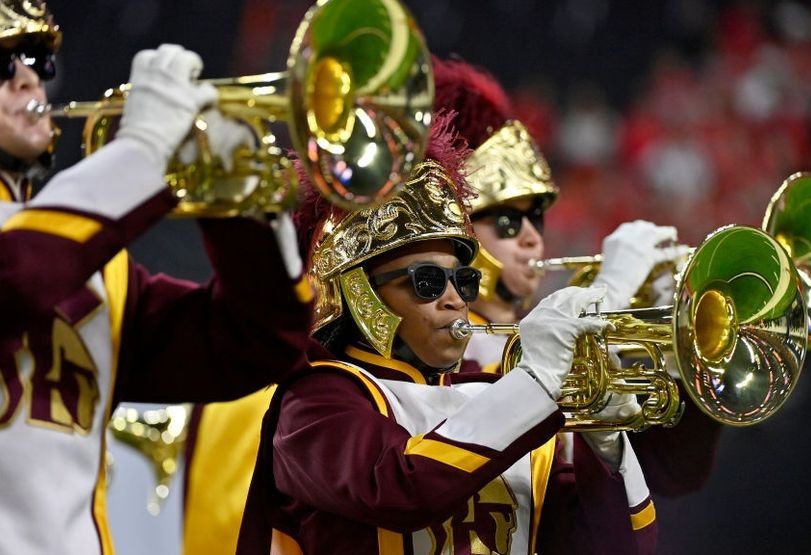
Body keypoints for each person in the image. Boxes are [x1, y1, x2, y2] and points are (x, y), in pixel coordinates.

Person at [0, 2, 313, 553]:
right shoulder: (44, 248)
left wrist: (242, 207)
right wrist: (140, 153)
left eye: (39, 59)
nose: (27, 78)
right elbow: (4, 278)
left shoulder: (93, 264)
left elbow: (257, 344)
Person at [235, 114, 656, 555]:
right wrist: (535, 383)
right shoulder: (314, 404)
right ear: (361, 294)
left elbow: (626, 547)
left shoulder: (498, 398)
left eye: (465, 282)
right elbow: (401, 488)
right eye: (427, 282)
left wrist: (607, 449)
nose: (456, 300)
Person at [433, 57, 721, 528]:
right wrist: (609, 290)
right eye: (507, 220)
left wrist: (683, 354)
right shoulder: (449, 350)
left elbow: (673, 475)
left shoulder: (540, 340)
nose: (531, 237)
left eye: (537, 218)